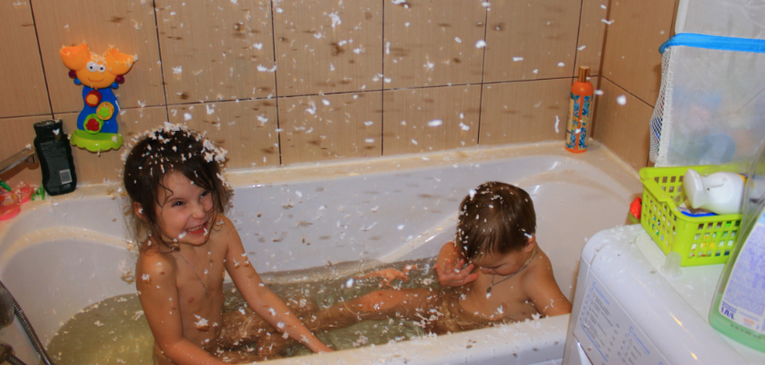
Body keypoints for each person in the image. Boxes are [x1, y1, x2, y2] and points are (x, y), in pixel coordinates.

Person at [123, 124, 332, 364]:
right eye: (179, 203)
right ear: (144, 212)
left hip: (217, 334)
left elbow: (258, 294)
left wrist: (317, 346)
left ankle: (273, 344)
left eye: (203, 194)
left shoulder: (221, 231)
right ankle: (268, 349)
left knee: (304, 306)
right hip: (184, 359)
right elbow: (173, 345)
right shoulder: (157, 266)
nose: (200, 212)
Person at [307, 181, 571, 335]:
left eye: (496, 266)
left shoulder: (535, 277)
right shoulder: (491, 242)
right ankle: (308, 325)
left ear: (527, 243)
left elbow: (569, 328)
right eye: (477, 262)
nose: (484, 270)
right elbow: (451, 247)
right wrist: (447, 269)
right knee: (377, 299)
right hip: (445, 304)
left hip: (473, 332)